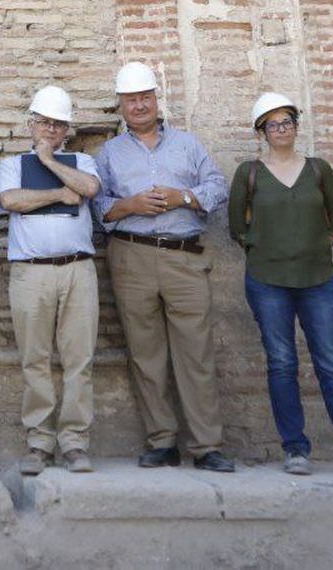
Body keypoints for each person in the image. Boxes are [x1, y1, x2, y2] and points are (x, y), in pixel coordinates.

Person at [230, 92, 333, 481]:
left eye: (287, 121)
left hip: (317, 280)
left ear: (296, 126)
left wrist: (310, 248)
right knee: (283, 364)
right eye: (272, 124)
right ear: (262, 133)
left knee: (332, 366)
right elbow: (237, 226)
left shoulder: (319, 169)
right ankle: (295, 449)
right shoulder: (249, 173)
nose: (281, 129)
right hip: (267, 282)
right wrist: (265, 249)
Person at [92, 61, 235, 472]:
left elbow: (216, 187)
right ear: (120, 106)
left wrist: (183, 198)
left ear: (156, 99)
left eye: (144, 97)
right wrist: (129, 206)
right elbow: (97, 205)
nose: (138, 105)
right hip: (131, 256)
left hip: (184, 257)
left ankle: (207, 446)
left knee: (196, 353)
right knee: (145, 353)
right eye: (130, 100)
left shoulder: (189, 145)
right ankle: (162, 441)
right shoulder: (110, 153)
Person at [0, 85, 102, 475]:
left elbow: (89, 189)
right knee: (34, 359)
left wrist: (51, 162)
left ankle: (74, 443)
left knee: (79, 358)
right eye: (44, 123)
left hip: (78, 270)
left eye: (58, 125)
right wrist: (59, 191)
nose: (50, 130)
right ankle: (39, 443)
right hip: (30, 271)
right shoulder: (12, 164)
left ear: (67, 130)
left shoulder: (82, 162)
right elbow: (11, 201)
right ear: (31, 124)